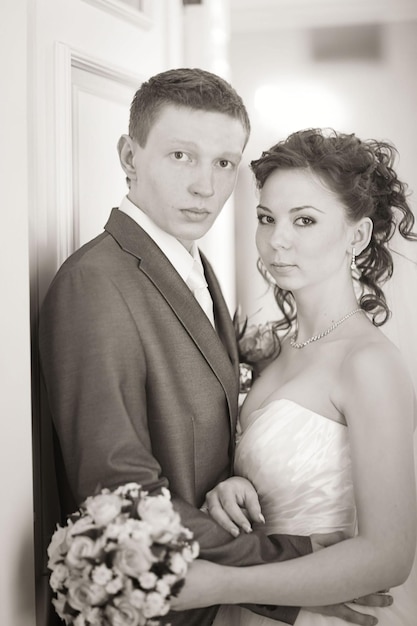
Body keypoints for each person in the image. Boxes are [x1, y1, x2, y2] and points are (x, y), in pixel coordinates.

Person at [39, 70, 388, 626]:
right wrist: (291, 568)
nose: (206, 186)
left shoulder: (195, 266)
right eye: (182, 156)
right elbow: (120, 488)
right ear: (130, 154)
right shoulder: (96, 282)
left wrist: (236, 482)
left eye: (224, 162)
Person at [172, 128, 417, 625]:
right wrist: (231, 486)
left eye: (304, 220)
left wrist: (223, 582)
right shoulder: (280, 351)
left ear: (359, 235)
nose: (277, 240)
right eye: (267, 218)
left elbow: (389, 555)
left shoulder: (369, 364)